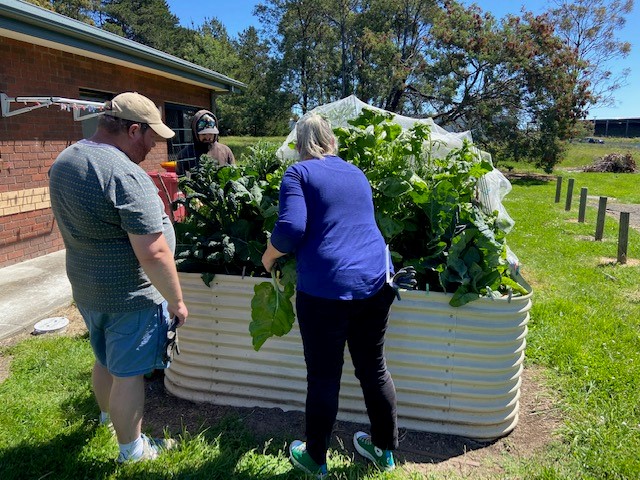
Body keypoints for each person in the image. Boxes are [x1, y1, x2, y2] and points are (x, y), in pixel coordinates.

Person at [48, 91, 189, 463]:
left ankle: (108, 417)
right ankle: (132, 450)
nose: (153, 147)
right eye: (151, 138)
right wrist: (176, 301)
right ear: (131, 130)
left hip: (88, 286)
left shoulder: (67, 159)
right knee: (129, 374)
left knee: (106, 360)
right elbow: (154, 252)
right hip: (129, 295)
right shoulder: (123, 172)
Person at [261, 113, 398, 477]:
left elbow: (291, 228)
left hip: (326, 289)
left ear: (298, 145)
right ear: (332, 141)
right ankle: (384, 451)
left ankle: (315, 459)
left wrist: (269, 255)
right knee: (374, 369)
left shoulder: (299, 173)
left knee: (323, 376)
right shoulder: (356, 173)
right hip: (376, 281)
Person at [176, 109, 235, 175]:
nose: (207, 137)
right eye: (203, 134)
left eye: (210, 134)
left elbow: (233, 174)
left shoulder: (225, 151)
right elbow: (181, 180)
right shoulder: (184, 154)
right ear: (196, 133)